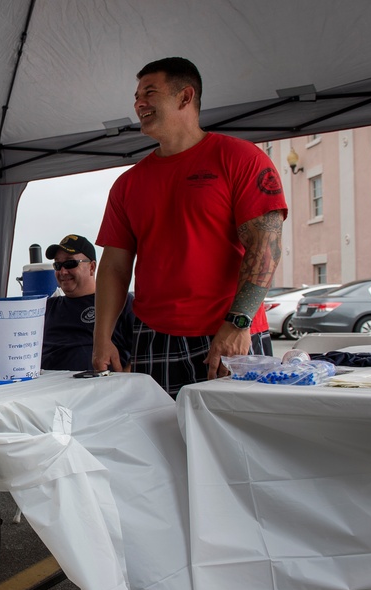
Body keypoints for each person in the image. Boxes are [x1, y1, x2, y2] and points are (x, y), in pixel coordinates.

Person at [92, 57, 287, 397]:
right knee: (162, 445)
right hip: (154, 337)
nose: (139, 103)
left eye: (149, 92)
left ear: (185, 97)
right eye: (136, 96)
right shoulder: (128, 183)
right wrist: (102, 338)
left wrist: (238, 323)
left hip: (230, 332)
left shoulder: (240, 158)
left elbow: (265, 246)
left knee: (236, 446)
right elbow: (113, 267)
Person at [40, 234, 133, 371]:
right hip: (46, 387)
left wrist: (124, 383)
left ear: (92, 267)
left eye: (70, 263)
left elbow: (142, 352)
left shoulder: (120, 302)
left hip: (99, 388)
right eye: (58, 265)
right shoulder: (46, 308)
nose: (63, 271)